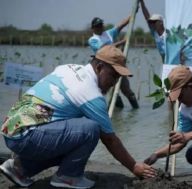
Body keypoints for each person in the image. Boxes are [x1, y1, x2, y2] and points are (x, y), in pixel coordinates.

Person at [0, 45, 156, 189]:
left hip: (12, 129)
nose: (114, 83)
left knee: (72, 138)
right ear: (100, 67)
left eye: (118, 78)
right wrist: (134, 166)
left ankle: (19, 168)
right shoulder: (91, 94)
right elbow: (109, 139)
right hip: (27, 135)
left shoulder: (68, 68)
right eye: (113, 76)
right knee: (90, 129)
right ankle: (68, 176)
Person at [88, 16, 139, 109]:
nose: (100, 27)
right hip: (105, 68)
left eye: (101, 25)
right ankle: (117, 116)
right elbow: (104, 49)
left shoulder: (108, 33)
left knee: (127, 90)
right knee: (112, 93)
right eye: (97, 26)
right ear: (93, 28)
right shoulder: (93, 40)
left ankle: (136, 110)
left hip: (117, 65)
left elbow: (120, 25)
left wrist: (132, 15)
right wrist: (121, 42)